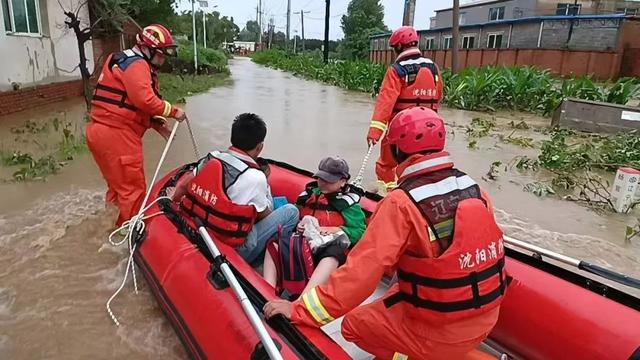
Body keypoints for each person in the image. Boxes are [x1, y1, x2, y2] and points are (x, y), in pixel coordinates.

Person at [265, 107, 506, 359]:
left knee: (353, 326)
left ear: (395, 149)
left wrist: (300, 311)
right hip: (486, 318)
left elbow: (359, 277)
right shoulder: (475, 189)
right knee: (395, 293)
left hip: (439, 329)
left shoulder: (400, 203)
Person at [86, 24, 187, 226]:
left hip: (100, 132)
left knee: (118, 189)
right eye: (160, 54)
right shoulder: (138, 65)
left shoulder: (123, 60)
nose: (163, 59)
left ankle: (111, 226)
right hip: (118, 136)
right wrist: (174, 111)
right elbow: (145, 100)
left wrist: (155, 124)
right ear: (147, 49)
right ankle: (127, 236)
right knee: (133, 190)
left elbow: (127, 105)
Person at [169, 113, 299, 265]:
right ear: (259, 147)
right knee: (291, 211)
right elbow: (263, 215)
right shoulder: (255, 177)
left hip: (204, 227)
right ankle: (260, 262)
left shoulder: (212, 158)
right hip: (235, 248)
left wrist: (172, 200)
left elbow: (184, 185)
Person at [262, 157, 366, 298]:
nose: (323, 183)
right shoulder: (308, 196)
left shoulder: (349, 205)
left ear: (343, 181)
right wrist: (299, 224)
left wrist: (338, 230)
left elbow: (360, 232)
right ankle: (266, 291)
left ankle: (304, 299)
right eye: (321, 178)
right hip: (304, 243)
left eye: (329, 180)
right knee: (275, 243)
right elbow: (294, 217)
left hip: (329, 246)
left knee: (332, 255)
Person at [367, 26, 444, 195]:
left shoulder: (397, 70)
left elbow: (385, 103)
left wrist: (374, 133)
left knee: (386, 165)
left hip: (401, 128)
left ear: (399, 47)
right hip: (430, 128)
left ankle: (388, 196)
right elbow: (438, 95)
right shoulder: (433, 68)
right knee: (424, 163)